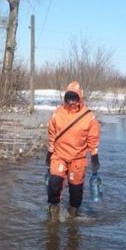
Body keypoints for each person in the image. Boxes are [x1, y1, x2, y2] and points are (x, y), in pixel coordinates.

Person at [46, 81, 101, 221]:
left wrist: (94, 155)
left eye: (74, 97)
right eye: (69, 97)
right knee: (53, 184)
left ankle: (72, 217)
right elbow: (52, 134)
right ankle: (53, 217)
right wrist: (50, 151)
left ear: (79, 98)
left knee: (76, 192)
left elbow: (93, 138)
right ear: (65, 97)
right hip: (59, 156)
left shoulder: (88, 117)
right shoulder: (57, 113)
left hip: (78, 159)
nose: (71, 101)